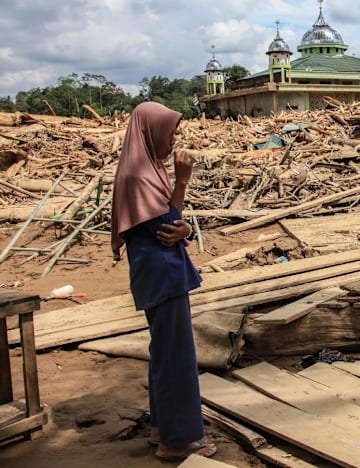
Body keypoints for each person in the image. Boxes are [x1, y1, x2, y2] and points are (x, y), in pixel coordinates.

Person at [111, 102, 216, 462]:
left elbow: (171, 222)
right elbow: (168, 225)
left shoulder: (144, 168)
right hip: (162, 275)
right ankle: (177, 441)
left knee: (163, 353)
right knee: (176, 358)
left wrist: (182, 225)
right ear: (150, 132)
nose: (172, 141)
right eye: (168, 133)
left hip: (156, 273)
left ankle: (161, 427)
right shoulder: (139, 175)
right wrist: (183, 180)